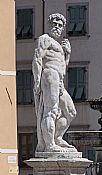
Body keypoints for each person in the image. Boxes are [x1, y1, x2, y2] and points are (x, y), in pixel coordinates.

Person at [32, 13, 77, 153]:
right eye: (54, 24)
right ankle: (49, 145)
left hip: (59, 80)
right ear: (49, 25)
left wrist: (67, 54)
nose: (56, 27)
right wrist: (37, 81)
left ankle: (57, 137)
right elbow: (37, 59)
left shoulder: (59, 44)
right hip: (49, 75)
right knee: (50, 111)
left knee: (70, 112)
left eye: (60, 25)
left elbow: (63, 67)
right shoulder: (44, 39)